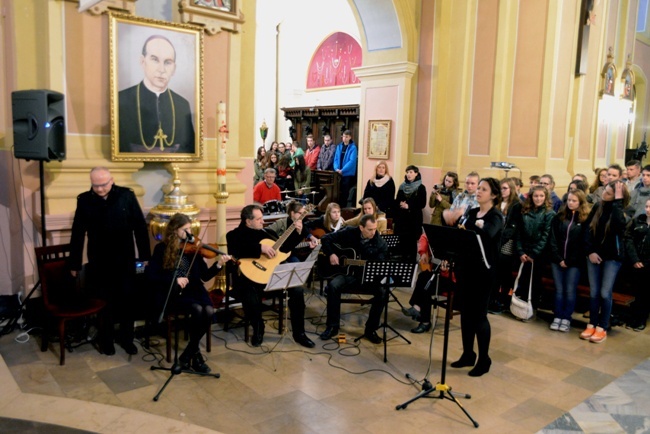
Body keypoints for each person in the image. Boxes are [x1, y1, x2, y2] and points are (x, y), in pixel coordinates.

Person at [69, 167, 151, 356]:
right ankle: (106, 341)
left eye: (103, 185)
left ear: (111, 180)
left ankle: (127, 339)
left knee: (127, 300)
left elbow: (139, 227)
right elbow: (78, 234)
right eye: (95, 185)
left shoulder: (126, 196)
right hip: (99, 260)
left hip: (125, 258)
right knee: (104, 302)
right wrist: (74, 264)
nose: (99, 189)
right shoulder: (84, 200)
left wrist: (146, 257)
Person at [147, 213, 231, 373]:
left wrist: (219, 264)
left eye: (190, 229)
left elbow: (204, 276)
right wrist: (174, 279)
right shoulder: (161, 248)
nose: (189, 233)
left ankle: (187, 355)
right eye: (185, 230)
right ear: (175, 230)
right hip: (174, 290)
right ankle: (195, 356)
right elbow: (152, 274)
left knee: (208, 310)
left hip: (194, 289)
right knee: (198, 310)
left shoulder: (195, 249)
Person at [226, 204, 315, 348]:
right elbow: (236, 248)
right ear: (248, 221)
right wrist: (260, 248)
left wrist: (297, 234)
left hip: (271, 279)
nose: (263, 221)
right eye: (259, 219)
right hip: (248, 281)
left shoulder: (266, 233)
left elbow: (284, 250)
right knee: (249, 293)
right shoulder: (234, 235)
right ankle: (258, 328)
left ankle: (300, 334)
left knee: (297, 290)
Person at [450, 178, 503, 377]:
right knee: (465, 313)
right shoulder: (472, 212)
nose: (478, 191)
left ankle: (484, 359)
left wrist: (467, 222)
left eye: (483, 189)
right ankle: (468, 354)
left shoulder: (495, 216)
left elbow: (486, 235)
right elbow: (461, 234)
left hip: (484, 271)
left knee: (479, 316)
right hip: (466, 269)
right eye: (478, 188)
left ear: (494, 195)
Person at [318, 214, 389, 343]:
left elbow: (380, 265)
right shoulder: (350, 232)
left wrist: (371, 266)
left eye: (375, 229)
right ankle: (332, 326)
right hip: (348, 274)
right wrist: (332, 254)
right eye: (370, 229)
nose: (374, 232)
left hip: (366, 277)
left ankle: (370, 330)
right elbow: (325, 238)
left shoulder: (380, 243)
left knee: (383, 293)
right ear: (361, 227)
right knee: (333, 286)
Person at [119, 35, 195, 153]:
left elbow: (189, 148)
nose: (161, 69)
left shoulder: (182, 105)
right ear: (143, 62)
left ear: (174, 68)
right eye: (155, 60)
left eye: (167, 62)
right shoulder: (122, 99)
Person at [581, 181, 630, 343]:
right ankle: (592, 324)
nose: (604, 194)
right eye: (605, 191)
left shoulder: (621, 211)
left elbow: (618, 226)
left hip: (612, 258)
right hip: (594, 255)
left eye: (609, 193)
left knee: (604, 292)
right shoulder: (597, 207)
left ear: (618, 197)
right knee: (594, 292)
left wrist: (617, 201)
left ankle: (602, 327)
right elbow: (587, 230)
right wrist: (590, 252)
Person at [548, 190, 589, 333]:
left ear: (580, 203)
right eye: (569, 200)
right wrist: (559, 258)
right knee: (559, 290)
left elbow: (582, 244)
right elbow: (552, 239)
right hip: (557, 260)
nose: (571, 203)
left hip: (574, 263)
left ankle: (566, 318)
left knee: (570, 290)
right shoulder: (559, 217)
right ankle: (557, 316)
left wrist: (569, 261)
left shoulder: (584, 221)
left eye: (574, 201)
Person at [514, 185, 555, 313]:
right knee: (523, 280)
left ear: (546, 197)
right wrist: (521, 251)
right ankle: (519, 307)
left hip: (538, 253)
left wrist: (534, 253)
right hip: (524, 250)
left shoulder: (549, 213)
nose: (538, 199)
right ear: (531, 197)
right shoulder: (525, 210)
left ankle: (531, 308)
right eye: (536, 196)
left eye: (541, 196)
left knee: (535, 281)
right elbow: (519, 232)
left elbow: (545, 236)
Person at [489, 178, 522, 313]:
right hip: (496, 240)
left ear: (511, 189)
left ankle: (503, 301)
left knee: (504, 272)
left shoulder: (516, 205)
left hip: (508, 242)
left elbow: (514, 226)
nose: (502, 191)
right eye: (500, 188)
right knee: (495, 271)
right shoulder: (496, 203)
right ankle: (493, 299)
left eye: (505, 188)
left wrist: (502, 237)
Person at [624, 198, 650, 331]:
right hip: (635, 263)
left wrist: (645, 263)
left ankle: (641, 319)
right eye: (646, 206)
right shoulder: (637, 221)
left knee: (645, 294)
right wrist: (634, 259)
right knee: (635, 292)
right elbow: (628, 239)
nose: (648, 209)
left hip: (647, 266)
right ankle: (631, 317)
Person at [393, 165, 427, 260]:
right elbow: (397, 200)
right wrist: (400, 203)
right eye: (407, 172)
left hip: (414, 218)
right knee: (402, 240)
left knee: (412, 241)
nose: (408, 174)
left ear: (416, 174)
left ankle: (411, 261)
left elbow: (422, 203)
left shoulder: (421, 187)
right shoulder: (402, 186)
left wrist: (409, 206)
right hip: (402, 218)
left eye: (411, 172)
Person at [333, 130, 358, 207]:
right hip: (338, 173)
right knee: (336, 192)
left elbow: (352, 161)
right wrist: (336, 168)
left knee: (345, 192)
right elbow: (336, 159)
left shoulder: (353, 147)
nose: (344, 138)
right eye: (343, 136)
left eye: (346, 137)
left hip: (347, 174)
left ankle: (343, 208)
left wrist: (342, 170)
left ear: (350, 137)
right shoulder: (339, 146)